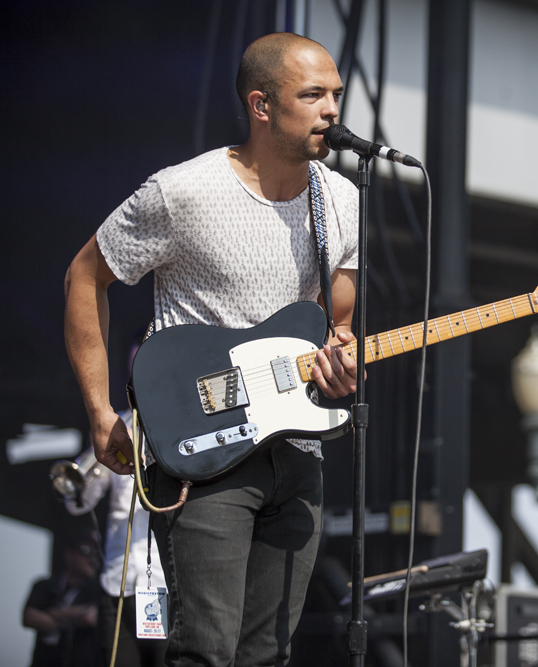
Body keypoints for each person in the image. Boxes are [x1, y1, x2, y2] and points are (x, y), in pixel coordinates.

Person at [64, 32, 359, 666]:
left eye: (335, 94)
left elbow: (337, 326)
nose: (331, 110)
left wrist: (342, 363)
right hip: (205, 449)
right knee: (206, 651)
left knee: (269, 657)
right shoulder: (182, 192)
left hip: (299, 448)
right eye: (311, 96)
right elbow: (85, 278)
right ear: (262, 105)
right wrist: (98, 413)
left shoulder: (340, 200)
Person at [65, 412, 168, 667]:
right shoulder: (116, 422)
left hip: (165, 582)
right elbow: (77, 504)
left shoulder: (175, 417)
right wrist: (96, 453)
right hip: (116, 582)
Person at [23, 533, 103, 667]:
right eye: (85, 551)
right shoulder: (45, 585)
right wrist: (75, 616)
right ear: (69, 554)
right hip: (44, 661)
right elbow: (29, 617)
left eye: (95, 553)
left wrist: (54, 615)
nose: (91, 558)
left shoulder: (97, 590)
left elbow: (91, 618)